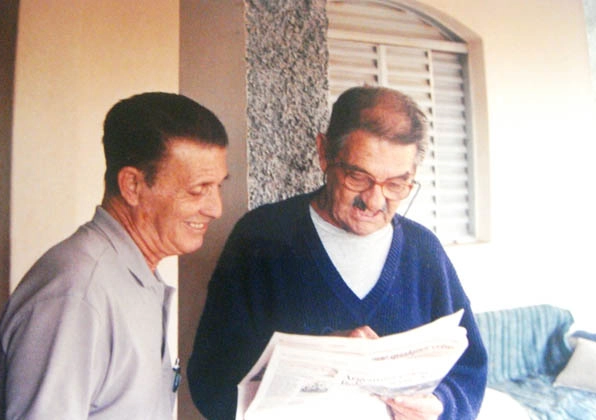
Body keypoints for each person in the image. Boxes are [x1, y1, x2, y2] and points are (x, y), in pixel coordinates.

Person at [188, 86, 487, 420]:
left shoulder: (424, 251)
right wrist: (320, 356)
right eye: (358, 177)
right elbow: (209, 378)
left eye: (395, 185)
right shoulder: (262, 238)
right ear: (324, 153)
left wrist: (441, 406)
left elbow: (470, 370)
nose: (374, 201)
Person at [0, 92, 229, 419]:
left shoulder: (128, 274)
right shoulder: (78, 293)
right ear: (132, 186)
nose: (216, 208)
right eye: (197, 190)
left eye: (219, 186)